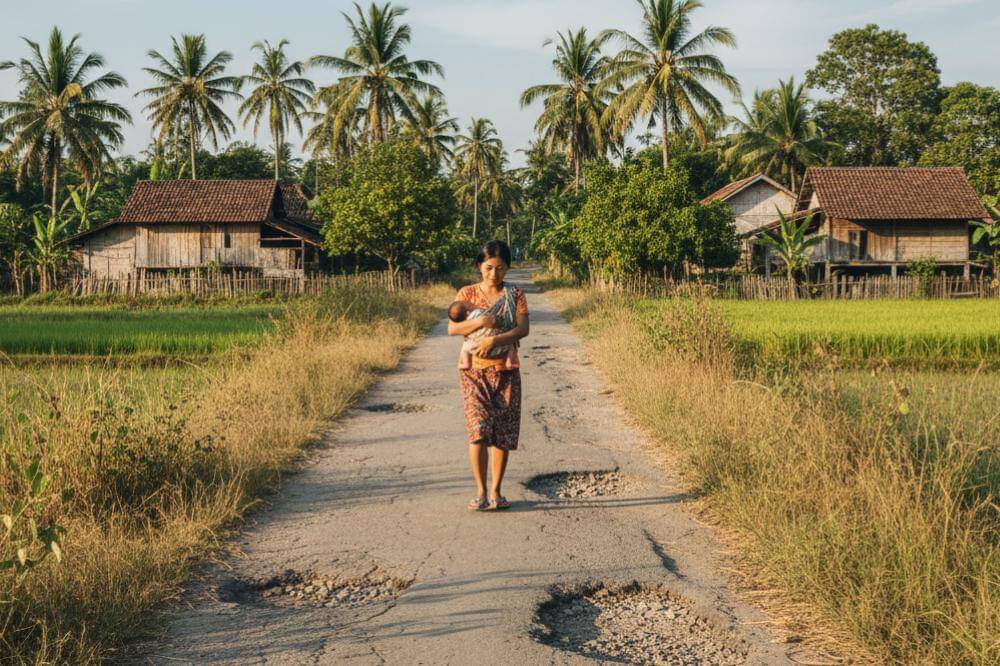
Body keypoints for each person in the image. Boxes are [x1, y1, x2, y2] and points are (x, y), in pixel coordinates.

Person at [448, 240, 529, 511]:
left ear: (507, 269)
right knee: (478, 431)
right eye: (489, 267)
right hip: (473, 372)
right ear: (479, 266)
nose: (494, 274)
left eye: (500, 268)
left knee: (502, 433)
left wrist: (495, 341)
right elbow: (452, 328)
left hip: (506, 371)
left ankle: (496, 491)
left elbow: (522, 329)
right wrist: (481, 322)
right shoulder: (467, 293)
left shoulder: (515, 294)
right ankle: (480, 492)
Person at [447, 299, 520, 370]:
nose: (467, 302)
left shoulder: (465, 323)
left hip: (475, 348)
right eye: (466, 304)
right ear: (467, 312)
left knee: (465, 348)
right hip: (497, 348)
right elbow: (451, 330)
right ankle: (509, 362)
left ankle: (466, 363)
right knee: (511, 345)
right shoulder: (477, 312)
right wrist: (482, 320)